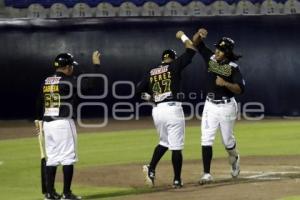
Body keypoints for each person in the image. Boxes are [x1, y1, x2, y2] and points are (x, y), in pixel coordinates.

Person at [36, 51, 101, 200]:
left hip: (47, 123)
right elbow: (90, 85)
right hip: (63, 123)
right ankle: (66, 193)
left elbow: (39, 101)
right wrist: (96, 65)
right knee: (68, 158)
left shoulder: (47, 81)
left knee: (52, 159)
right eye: (71, 65)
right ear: (68, 67)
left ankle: (50, 194)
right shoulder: (69, 80)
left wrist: (38, 120)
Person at [136, 31, 197, 188]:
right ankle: (176, 180)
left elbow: (138, 91)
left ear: (162, 59)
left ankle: (151, 168)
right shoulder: (174, 65)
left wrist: (150, 98)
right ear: (173, 58)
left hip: (157, 111)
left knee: (164, 142)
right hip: (172, 109)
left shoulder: (152, 71)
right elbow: (191, 49)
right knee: (176, 146)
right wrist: (182, 36)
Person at [191, 28, 245, 184]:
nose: (217, 51)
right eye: (217, 48)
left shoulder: (233, 67)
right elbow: (196, 43)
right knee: (206, 138)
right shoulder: (211, 58)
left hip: (227, 106)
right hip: (210, 105)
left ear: (227, 52)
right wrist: (198, 35)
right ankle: (206, 173)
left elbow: (241, 89)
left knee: (227, 141)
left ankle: (234, 158)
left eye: (221, 50)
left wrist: (225, 83)